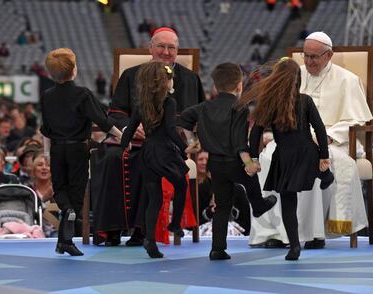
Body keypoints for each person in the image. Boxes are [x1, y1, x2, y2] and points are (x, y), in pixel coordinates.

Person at [249, 31, 373, 249]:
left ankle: (313, 233)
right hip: (291, 139)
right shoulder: (294, 76)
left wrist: (327, 138)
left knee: (314, 159)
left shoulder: (348, 80)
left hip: (333, 142)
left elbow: (354, 120)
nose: (307, 61)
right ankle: (275, 232)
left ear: (329, 55)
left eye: (313, 57)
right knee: (268, 157)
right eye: (305, 56)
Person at [91, 27, 205, 247]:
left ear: (177, 50)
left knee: (151, 160)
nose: (166, 52)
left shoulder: (190, 79)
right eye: (161, 46)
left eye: (171, 47)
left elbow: (196, 118)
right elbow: (117, 113)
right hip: (134, 140)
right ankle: (112, 229)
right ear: (150, 48)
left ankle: (143, 231)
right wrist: (131, 129)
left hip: (168, 144)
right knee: (113, 159)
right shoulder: (131, 75)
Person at [181, 63, 277, 260]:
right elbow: (239, 142)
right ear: (239, 85)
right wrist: (249, 163)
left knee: (222, 205)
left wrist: (193, 140)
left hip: (214, 164)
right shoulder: (239, 108)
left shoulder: (203, 107)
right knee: (250, 181)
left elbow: (183, 119)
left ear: (215, 87)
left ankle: (217, 248)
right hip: (234, 161)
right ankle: (258, 206)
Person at [239, 57, 331, 260]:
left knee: (289, 204)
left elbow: (256, 132)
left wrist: (253, 157)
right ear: (298, 79)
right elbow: (320, 128)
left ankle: (294, 246)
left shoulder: (270, 103)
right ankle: (326, 176)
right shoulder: (305, 100)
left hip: (284, 157)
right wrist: (324, 155)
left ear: (276, 79)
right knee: (320, 170)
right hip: (308, 153)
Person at [40, 48, 122, 256]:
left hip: (57, 148)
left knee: (60, 188)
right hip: (77, 148)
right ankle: (67, 230)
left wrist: (47, 153)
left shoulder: (47, 96)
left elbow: (46, 129)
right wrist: (123, 136)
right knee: (76, 192)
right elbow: (102, 120)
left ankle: (63, 240)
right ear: (74, 70)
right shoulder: (82, 94)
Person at [120, 62, 194, 258]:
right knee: (181, 185)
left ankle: (150, 240)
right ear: (164, 82)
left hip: (147, 153)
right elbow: (170, 130)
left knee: (154, 199)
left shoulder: (140, 103)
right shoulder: (169, 102)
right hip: (165, 153)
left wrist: (124, 146)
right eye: (170, 79)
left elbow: (130, 127)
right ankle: (176, 223)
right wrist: (184, 147)